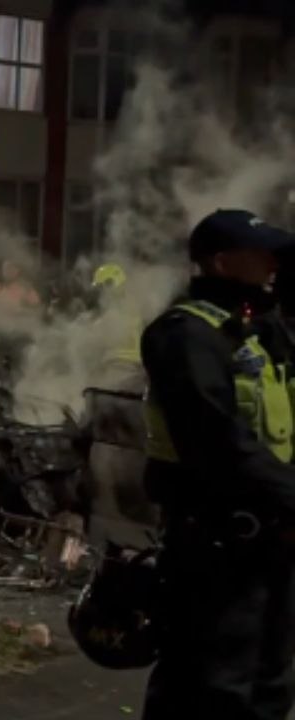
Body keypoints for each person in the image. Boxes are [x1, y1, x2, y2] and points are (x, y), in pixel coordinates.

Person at [141, 209, 295, 720]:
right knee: (211, 687)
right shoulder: (184, 336)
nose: (274, 263)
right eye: (262, 255)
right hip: (217, 547)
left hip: (273, 541)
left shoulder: (259, 331)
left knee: (270, 685)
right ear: (224, 263)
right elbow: (219, 443)